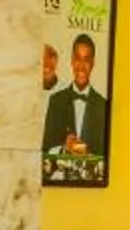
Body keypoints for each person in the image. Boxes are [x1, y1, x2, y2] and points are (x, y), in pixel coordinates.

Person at [42, 33, 108, 180]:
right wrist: (63, 149)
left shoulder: (103, 106)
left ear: (93, 63)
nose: (81, 66)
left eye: (87, 60)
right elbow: (44, 152)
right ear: (72, 61)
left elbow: (109, 159)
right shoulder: (55, 101)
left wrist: (88, 154)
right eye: (78, 59)